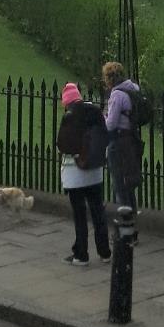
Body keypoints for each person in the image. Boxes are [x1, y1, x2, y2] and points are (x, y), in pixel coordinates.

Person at [56, 82, 110, 266]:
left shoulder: (70, 116)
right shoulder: (95, 112)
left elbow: (63, 145)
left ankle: (81, 254)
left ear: (67, 102)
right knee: (98, 211)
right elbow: (105, 136)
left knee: (80, 215)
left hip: (75, 173)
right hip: (95, 171)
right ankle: (105, 252)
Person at [102, 61, 142, 214]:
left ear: (109, 78)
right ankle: (132, 219)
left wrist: (102, 118)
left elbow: (111, 124)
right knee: (128, 182)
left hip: (118, 141)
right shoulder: (133, 89)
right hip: (131, 139)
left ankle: (125, 223)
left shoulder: (117, 95)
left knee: (119, 184)